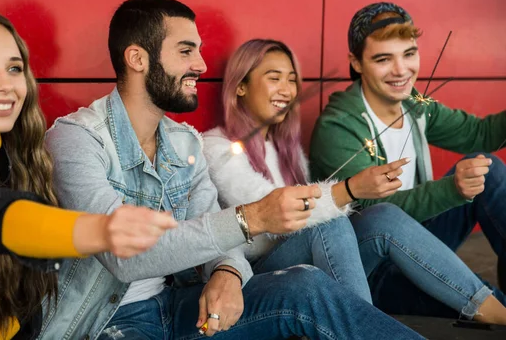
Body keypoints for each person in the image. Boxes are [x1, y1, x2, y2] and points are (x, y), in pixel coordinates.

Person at [38, 0, 423, 340]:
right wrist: (252, 218)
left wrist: (227, 272)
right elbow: (124, 257)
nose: (202, 64)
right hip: (107, 321)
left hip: (179, 304)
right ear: (138, 58)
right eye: (186, 51)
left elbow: (212, 229)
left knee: (305, 285)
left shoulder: (185, 141)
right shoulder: (76, 140)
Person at [0, 10, 177, 339]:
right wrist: (103, 229)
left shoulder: (17, 159)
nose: (5, 85)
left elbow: (22, 306)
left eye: (14, 68)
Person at [204, 37, 506, 325]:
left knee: (385, 213)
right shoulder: (218, 148)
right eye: (274, 78)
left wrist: (352, 194)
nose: (287, 89)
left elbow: (480, 133)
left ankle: (490, 308)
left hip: (324, 258)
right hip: (257, 274)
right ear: (241, 86)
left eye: (292, 79)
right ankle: (368, 326)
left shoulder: (288, 148)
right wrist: (351, 189)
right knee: (344, 223)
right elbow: (276, 213)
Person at [310, 1, 506, 321]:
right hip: (372, 267)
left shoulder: (414, 104)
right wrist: (453, 191)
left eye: (409, 54)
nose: (401, 71)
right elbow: (381, 219)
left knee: (488, 168)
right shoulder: (338, 127)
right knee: (481, 301)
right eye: (383, 59)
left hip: (420, 238)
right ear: (356, 63)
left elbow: (481, 134)